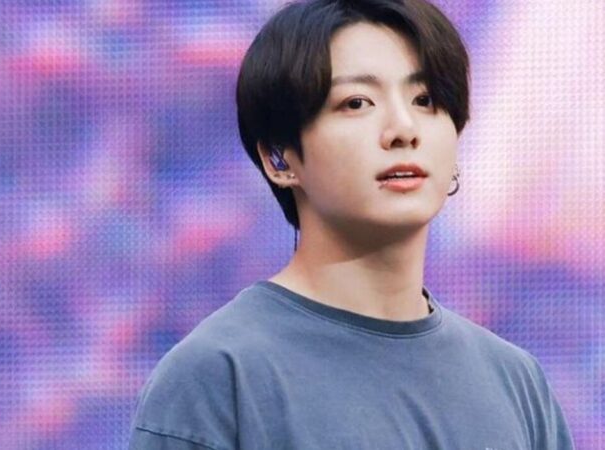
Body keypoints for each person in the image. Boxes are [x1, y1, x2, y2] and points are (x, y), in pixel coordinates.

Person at [129, 0, 575, 448]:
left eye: (425, 100)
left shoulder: (515, 382)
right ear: (280, 159)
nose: (403, 129)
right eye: (357, 102)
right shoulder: (218, 376)